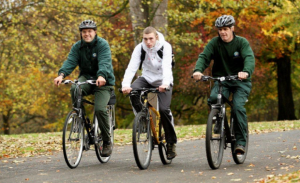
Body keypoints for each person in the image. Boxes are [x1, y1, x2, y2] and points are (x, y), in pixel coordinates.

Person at [192, 15, 255, 154]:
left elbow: (249, 58)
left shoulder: (241, 43)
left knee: (237, 107)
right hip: (222, 81)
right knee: (214, 98)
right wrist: (198, 70)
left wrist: (245, 71)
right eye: (220, 29)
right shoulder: (215, 43)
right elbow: (204, 56)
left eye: (225, 29)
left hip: (240, 82)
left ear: (232, 28)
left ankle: (240, 142)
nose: (223, 32)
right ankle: (218, 121)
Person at [54, 20, 115, 157]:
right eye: (84, 32)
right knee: (75, 88)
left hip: (103, 82)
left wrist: (101, 76)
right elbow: (70, 61)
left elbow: (104, 62)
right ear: (81, 33)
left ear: (95, 32)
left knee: (99, 109)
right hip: (86, 78)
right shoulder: (77, 46)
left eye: (89, 31)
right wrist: (61, 75)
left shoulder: (102, 45)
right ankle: (80, 117)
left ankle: (106, 141)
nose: (87, 34)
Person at [121, 26, 177, 159]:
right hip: (146, 78)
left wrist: (165, 84)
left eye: (150, 39)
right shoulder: (140, 48)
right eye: (145, 39)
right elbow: (131, 67)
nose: (148, 42)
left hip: (163, 80)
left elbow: (167, 67)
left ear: (156, 37)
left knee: (163, 109)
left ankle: (171, 142)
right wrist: (125, 85)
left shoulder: (165, 47)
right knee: (133, 92)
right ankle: (143, 119)